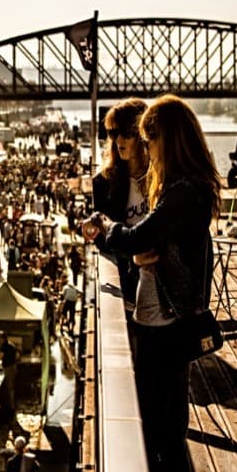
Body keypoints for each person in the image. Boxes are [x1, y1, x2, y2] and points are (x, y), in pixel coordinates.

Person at [85, 94, 221, 472]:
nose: (144, 148)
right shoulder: (184, 186)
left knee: (160, 412)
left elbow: (141, 236)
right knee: (162, 406)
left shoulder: (183, 190)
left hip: (168, 312)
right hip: (160, 306)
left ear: (168, 140)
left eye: (148, 139)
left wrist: (104, 229)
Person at [92, 97, 150, 317]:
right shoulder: (104, 183)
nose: (118, 140)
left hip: (163, 291)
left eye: (126, 132)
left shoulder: (161, 179)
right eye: (113, 133)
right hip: (127, 289)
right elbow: (103, 241)